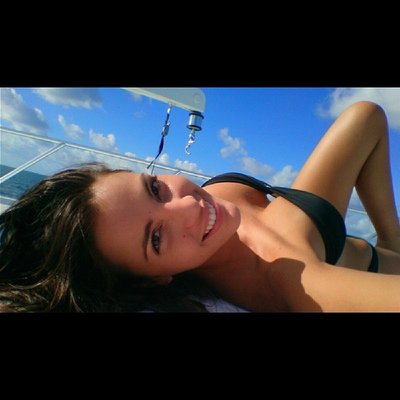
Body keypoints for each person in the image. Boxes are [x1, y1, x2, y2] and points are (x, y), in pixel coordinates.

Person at [1, 101, 399, 312]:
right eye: (156, 239)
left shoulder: (214, 197)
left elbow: (367, 117)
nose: (188, 206)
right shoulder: (290, 281)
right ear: (155, 280)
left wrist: (390, 237)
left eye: (155, 188)